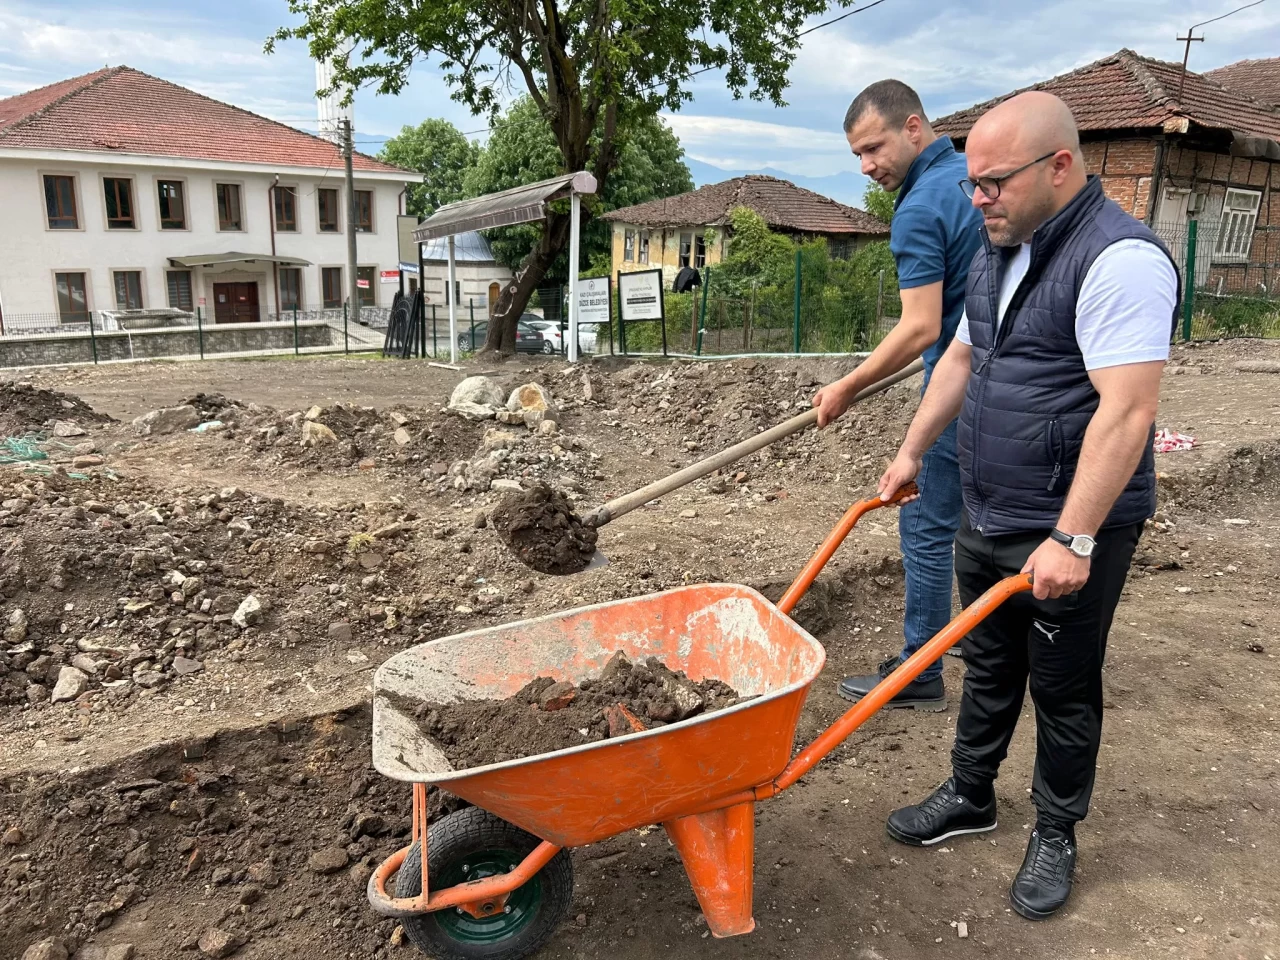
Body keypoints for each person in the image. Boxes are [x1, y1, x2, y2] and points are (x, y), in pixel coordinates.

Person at [877, 91, 1179, 920]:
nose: (979, 200)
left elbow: (1126, 412)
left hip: (1066, 528)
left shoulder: (1121, 260)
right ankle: (973, 794)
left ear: (1059, 165)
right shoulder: (998, 246)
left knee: (1064, 684)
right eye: (973, 183)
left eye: (994, 183)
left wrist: (1074, 540)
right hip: (988, 509)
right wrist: (910, 452)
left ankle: (1056, 830)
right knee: (989, 666)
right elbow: (961, 359)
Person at [812, 80, 982, 711]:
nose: (866, 166)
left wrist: (848, 386)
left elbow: (920, 325)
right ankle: (978, 634)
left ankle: (921, 669)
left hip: (958, 385)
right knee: (979, 518)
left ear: (915, 128)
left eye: (873, 147)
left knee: (926, 522)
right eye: (857, 154)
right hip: (1009, 384)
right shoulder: (976, 177)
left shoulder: (918, 207)